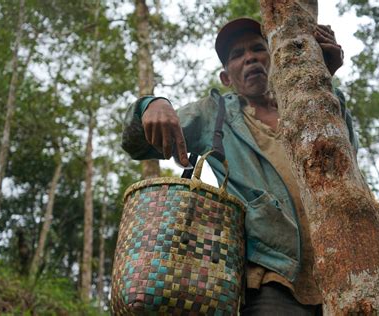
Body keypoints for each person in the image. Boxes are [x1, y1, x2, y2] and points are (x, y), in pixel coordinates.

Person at [122, 17, 358, 315]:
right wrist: (151, 105)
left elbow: (348, 162)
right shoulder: (215, 114)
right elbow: (137, 145)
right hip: (271, 278)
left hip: (344, 270)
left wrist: (323, 80)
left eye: (258, 49)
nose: (250, 58)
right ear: (226, 77)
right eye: (237, 55)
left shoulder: (311, 105)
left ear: (277, 59)